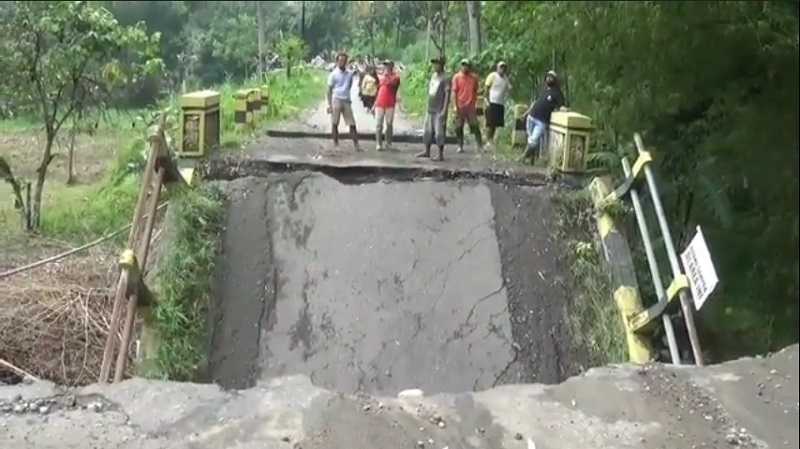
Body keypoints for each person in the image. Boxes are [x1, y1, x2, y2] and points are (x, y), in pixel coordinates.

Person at [520, 70, 564, 162]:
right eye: (548, 76)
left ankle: (523, 157)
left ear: (555, 80)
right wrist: (526, 113)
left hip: (542, 121)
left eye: (551, 77)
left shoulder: (557, 93)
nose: (549, 78)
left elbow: (561, 107)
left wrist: (564, 110)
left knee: (533, 140)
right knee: (531, 139)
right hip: (532, 116)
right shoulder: (543, 90)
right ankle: (531, 160)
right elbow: (534, 103)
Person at [417, 57, 450, 162]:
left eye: (437, 64)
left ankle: (440, 154)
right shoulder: (433, 76)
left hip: (439, 108)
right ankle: (427, 151)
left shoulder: (445, 78)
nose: (435, 66)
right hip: (430, 107)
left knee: (439, 132)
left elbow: (448, 94)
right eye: (434, 64)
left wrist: (444, 109)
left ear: (442, 65)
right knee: (427, 130)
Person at [327, 52, 360, 151]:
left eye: (344, 61)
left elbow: (349, 86)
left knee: (352, 123)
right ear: (337, 62)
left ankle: (356, 145)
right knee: (335, 123)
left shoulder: (349, 74)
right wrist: (329, 105)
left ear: (346, 62)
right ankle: (336, 144)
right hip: (336, 99)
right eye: (340, 60)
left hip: (346, 100)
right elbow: (329, 90)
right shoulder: (333, 74)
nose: (342, 62)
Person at [451, 59, 483, 153]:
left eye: (467, 65)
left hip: (470, 106)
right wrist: (454, 106)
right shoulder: (456, 77)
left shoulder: (473, 78)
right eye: (463, 65)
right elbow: (454, 92)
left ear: (469, 67)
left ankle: (479, 146)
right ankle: (460, 146)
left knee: (475, 126)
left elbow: (476, 90)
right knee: (458, 127)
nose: (465, 67)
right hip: (460, 105)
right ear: (461, 66)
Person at [374, 59, 401, 151]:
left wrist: (387, 76)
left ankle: (388, 142)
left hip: (390, 102)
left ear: (391, 66)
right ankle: (378, 143)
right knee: (378, 124)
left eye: (388, 65)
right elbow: (377, 88)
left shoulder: (395, 77)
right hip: (380, 102)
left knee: (389, 124)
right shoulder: (381, 76)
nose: (386, 67)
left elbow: (393, 84)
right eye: (385, 65)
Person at [484, 61, 512, 145]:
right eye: (501, 67)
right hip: (491, 102)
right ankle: (488, 140)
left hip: (500, 103)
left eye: (504, 68)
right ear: (497, 68)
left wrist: (508, 95)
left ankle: (491, 140)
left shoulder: (505, 78)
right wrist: (486, 100)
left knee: (496, 123)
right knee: (490, 123)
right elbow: (486, 88)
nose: (502, 69)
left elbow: (509, 88)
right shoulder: (492, 76)